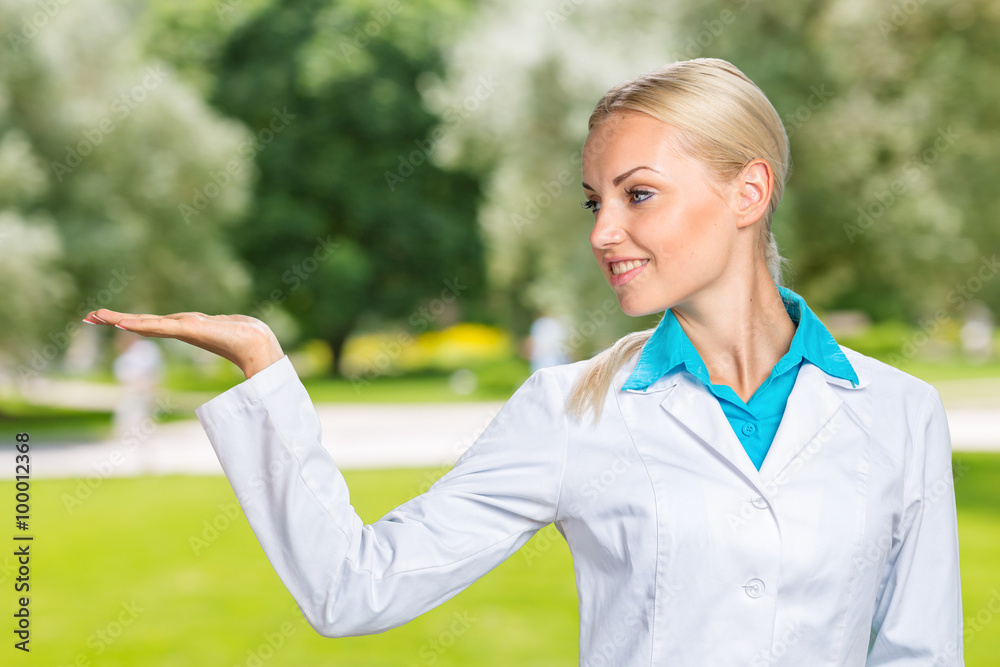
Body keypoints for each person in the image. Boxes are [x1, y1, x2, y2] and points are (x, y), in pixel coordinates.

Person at [83, 58, 963, 665]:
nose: (603, 232)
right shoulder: (570, 411)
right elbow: (355, 588)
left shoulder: (899, 413)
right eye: (593, 201)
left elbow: (920, 653)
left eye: (638, 194)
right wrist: (265, 369)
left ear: (749, 191)